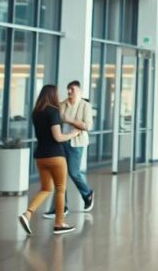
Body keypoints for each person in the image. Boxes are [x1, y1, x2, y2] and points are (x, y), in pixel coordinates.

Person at [18, 85, 81, 236]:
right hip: (55, 155)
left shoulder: (36, 112)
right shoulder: (53, 111)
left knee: (46, 189)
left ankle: (27, 214)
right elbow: (58, 137)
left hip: (40, 156)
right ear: (53, 95)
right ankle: (59, 224)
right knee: (60, 188)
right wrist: (73, 134)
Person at [44, 80, 95, 220]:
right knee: (59, 175)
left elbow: (88, 126)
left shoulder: (85, 106)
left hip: (76, 144)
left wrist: (70, 120)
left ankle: (87, 193)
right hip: (60, 142)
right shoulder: (61, 105)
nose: (69, 92)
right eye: (68, 89)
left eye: (72, 89)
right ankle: (60, 207)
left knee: (73, 172)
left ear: (79, 90)